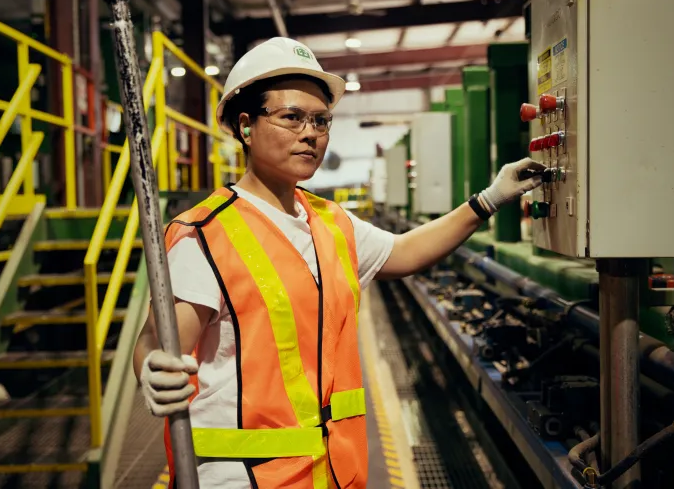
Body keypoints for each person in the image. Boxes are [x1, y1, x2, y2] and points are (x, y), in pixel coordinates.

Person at [132, 36, 546, 489]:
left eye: (321, 120)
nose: (311, 133)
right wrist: (151, 368)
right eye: (292, 117)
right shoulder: (203, 233)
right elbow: (158, 341)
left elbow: (403, 252)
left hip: (330, 472)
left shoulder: (329, 221)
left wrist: (490, 198)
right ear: (246, 126)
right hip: (241, 477)